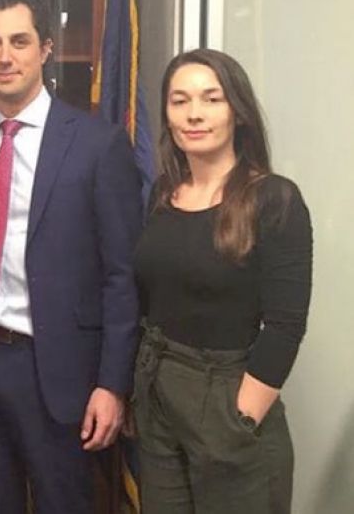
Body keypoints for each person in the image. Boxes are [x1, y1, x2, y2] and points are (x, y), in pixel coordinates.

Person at [0, 0, 143, 513]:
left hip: (61, 373)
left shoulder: (98, 144)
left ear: (46, 49)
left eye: (19, 41)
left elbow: (122, 276)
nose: (5, 57)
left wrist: (112, 384)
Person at [132, 48, 312, 513]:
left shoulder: (274, 199)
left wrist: (241, 419)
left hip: (227, 396)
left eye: (211, 99)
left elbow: (285, 326)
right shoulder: (163, 194)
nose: (194, 113)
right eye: (180, 100)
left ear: (238, 111)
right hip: (157, 390)